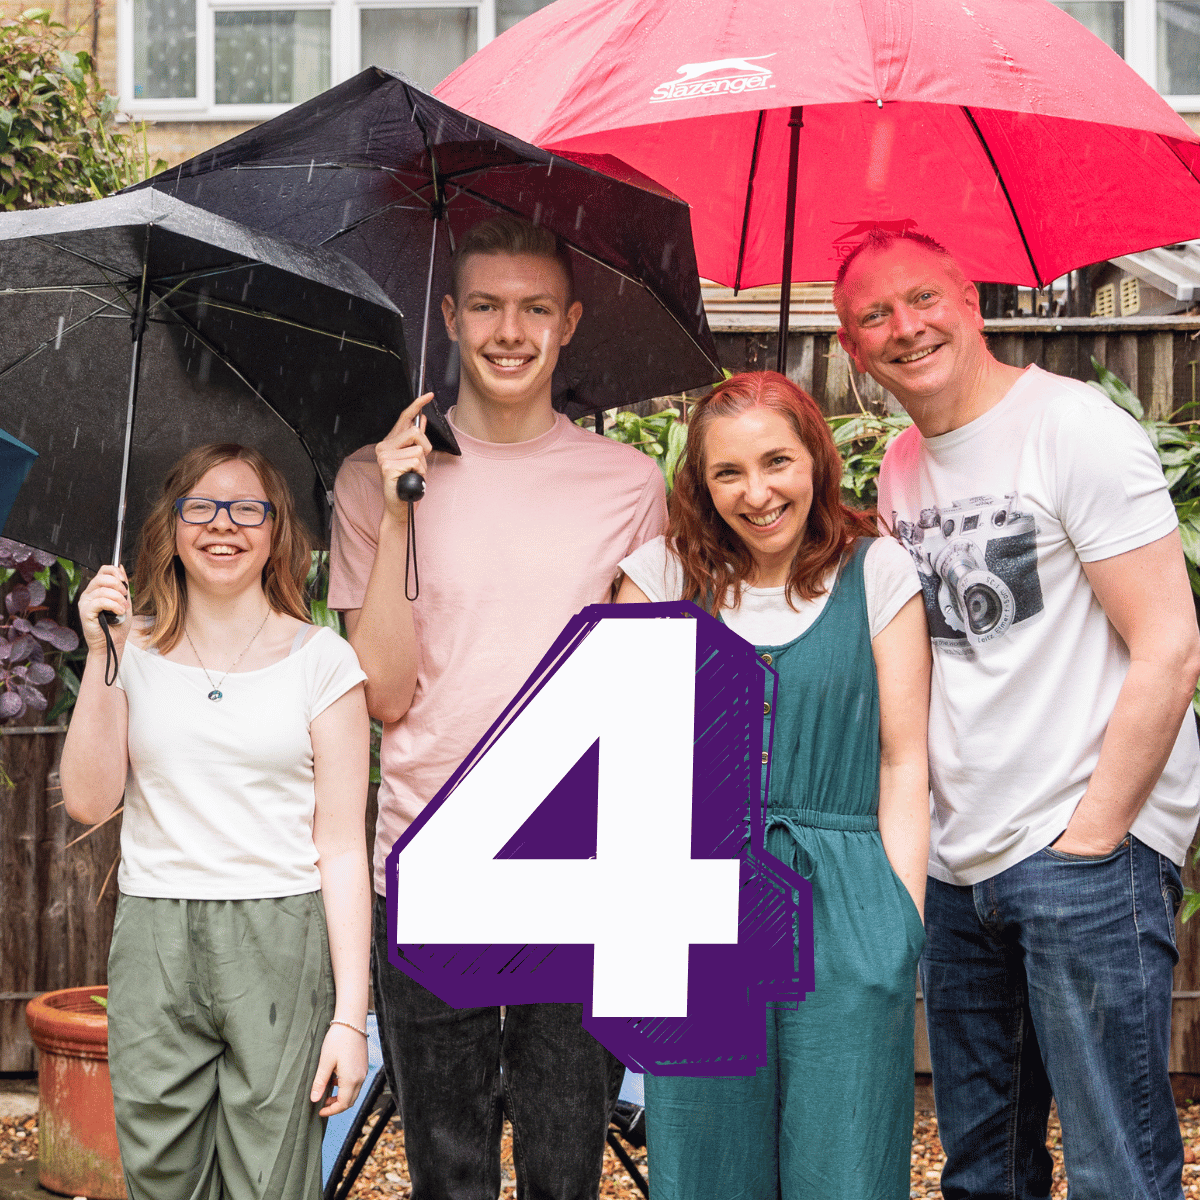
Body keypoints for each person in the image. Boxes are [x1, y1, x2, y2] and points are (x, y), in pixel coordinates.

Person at [835, 227, 1200, 1200]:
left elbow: (1170, 645)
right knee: (983, 1173)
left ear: (971, 301)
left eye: (923, 298)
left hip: (1082, 852)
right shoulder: (902, 467)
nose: (905, 327)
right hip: (959, 866)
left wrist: (1094, 838)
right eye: (875, 315)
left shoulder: (1071, 427)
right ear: (851, 347)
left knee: (1118, 1169)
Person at [328, 214, 666, 1200]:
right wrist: (400, 511)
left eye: (533, 308)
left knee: (565, 1167)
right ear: (449, 316)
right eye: (485, 306)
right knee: (450, 1172)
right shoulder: (371, 479)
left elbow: (639, 690)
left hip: (579, 870)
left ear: (569, 323)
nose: (509, 332)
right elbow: (383, 694)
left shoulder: (629, 484)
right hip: (426, 860)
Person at [616, 370, 931, 1199]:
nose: (756, 493)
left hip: (846, 905)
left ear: (816, 460)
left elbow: (903, 761)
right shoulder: (656, 578)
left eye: (777, 462)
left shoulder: (877, 573)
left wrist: (897, 927)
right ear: (701, 481)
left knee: (846, 1171)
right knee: (706, 1171)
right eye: (729, 472)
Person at [60, 444, 371, 1200]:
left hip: (281, 934)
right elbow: (89, 802)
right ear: (170, 527)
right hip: (156, 935)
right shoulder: (127, 648)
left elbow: (341, 850)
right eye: (200, 506)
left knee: (271, 1181)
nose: (222, 525)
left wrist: (350, 1019)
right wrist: (103, 654)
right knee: (160, 1176)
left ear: (276, 530)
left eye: (247, 509)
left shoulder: (323, 661)